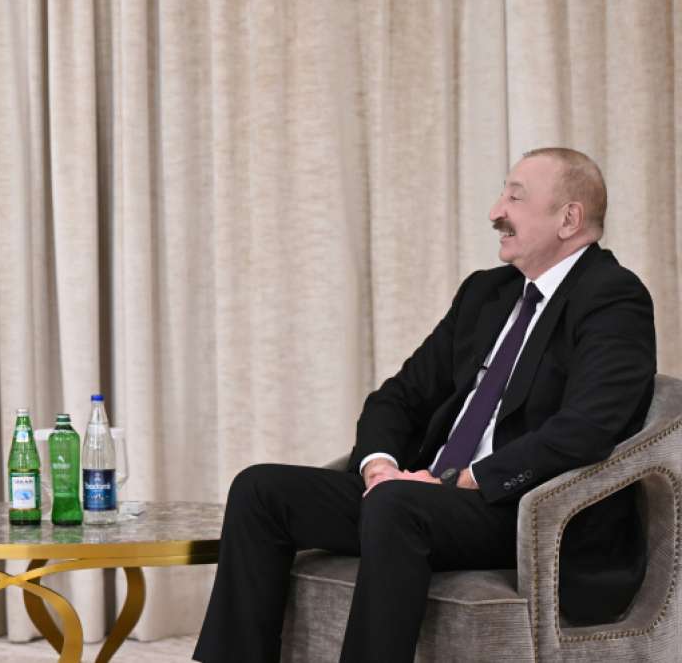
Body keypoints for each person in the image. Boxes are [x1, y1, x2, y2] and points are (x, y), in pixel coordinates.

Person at [193, 147, 656, 663]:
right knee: (260, 490)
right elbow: (399, 397)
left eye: (516, 198)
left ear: (568, 218)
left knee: (398, 506)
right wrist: (379, 468)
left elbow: (586, 427)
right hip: (423, 497)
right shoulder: (487, 294)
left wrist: (458, 480)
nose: (496, 211)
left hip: (519, 508)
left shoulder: (613, 297)